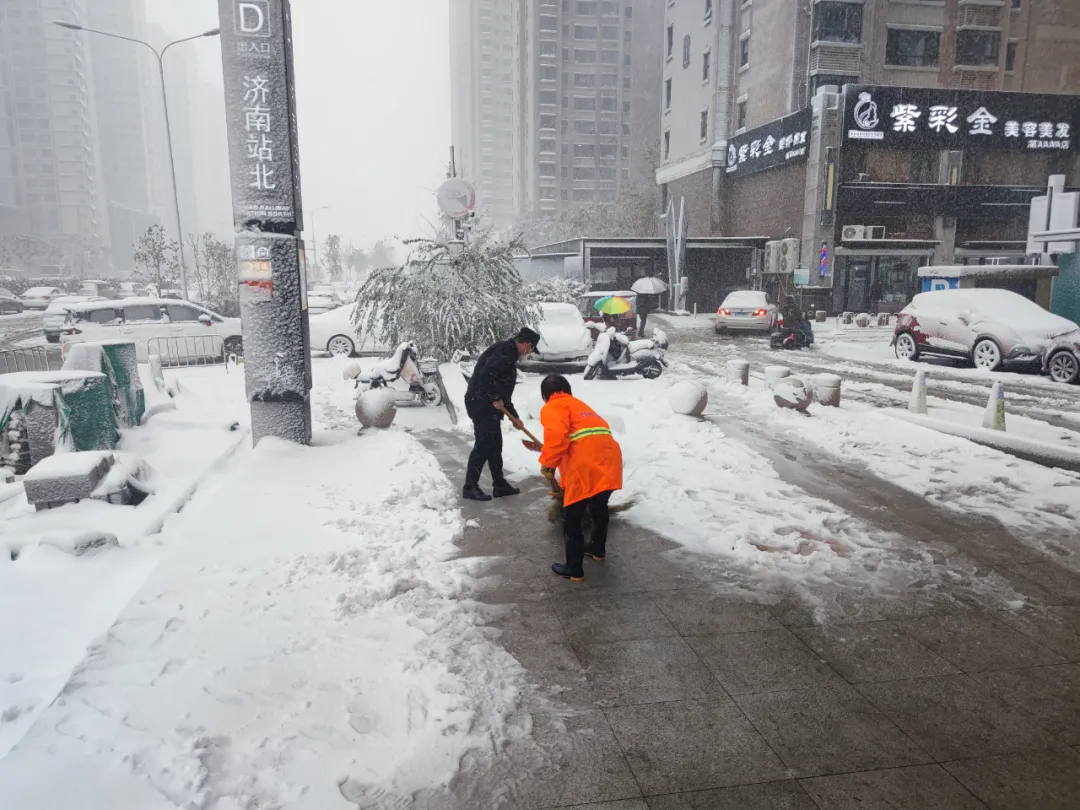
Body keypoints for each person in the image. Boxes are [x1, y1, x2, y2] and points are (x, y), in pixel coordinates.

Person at [537, 374, 623, 581]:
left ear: (545, 396)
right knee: (598, 508)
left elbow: (557, 436)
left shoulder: (553, 406)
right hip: (610, 462)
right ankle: (597, 550)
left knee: (572, 518)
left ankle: (574, 568)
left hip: (585, 467)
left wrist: (548, 464)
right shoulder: (581, 407)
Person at [462, 327, 540, 501]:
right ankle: (470, 486)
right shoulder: (504, 352)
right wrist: (495, 397)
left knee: (495, 444)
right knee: (484, 444)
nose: (530, 353)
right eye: (532, 349)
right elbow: (486, 375)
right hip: (481, 404)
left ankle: (499, 485)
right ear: (527, 344)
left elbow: (503, 393)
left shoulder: (508, 354)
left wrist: (514, 417)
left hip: (488, 404)